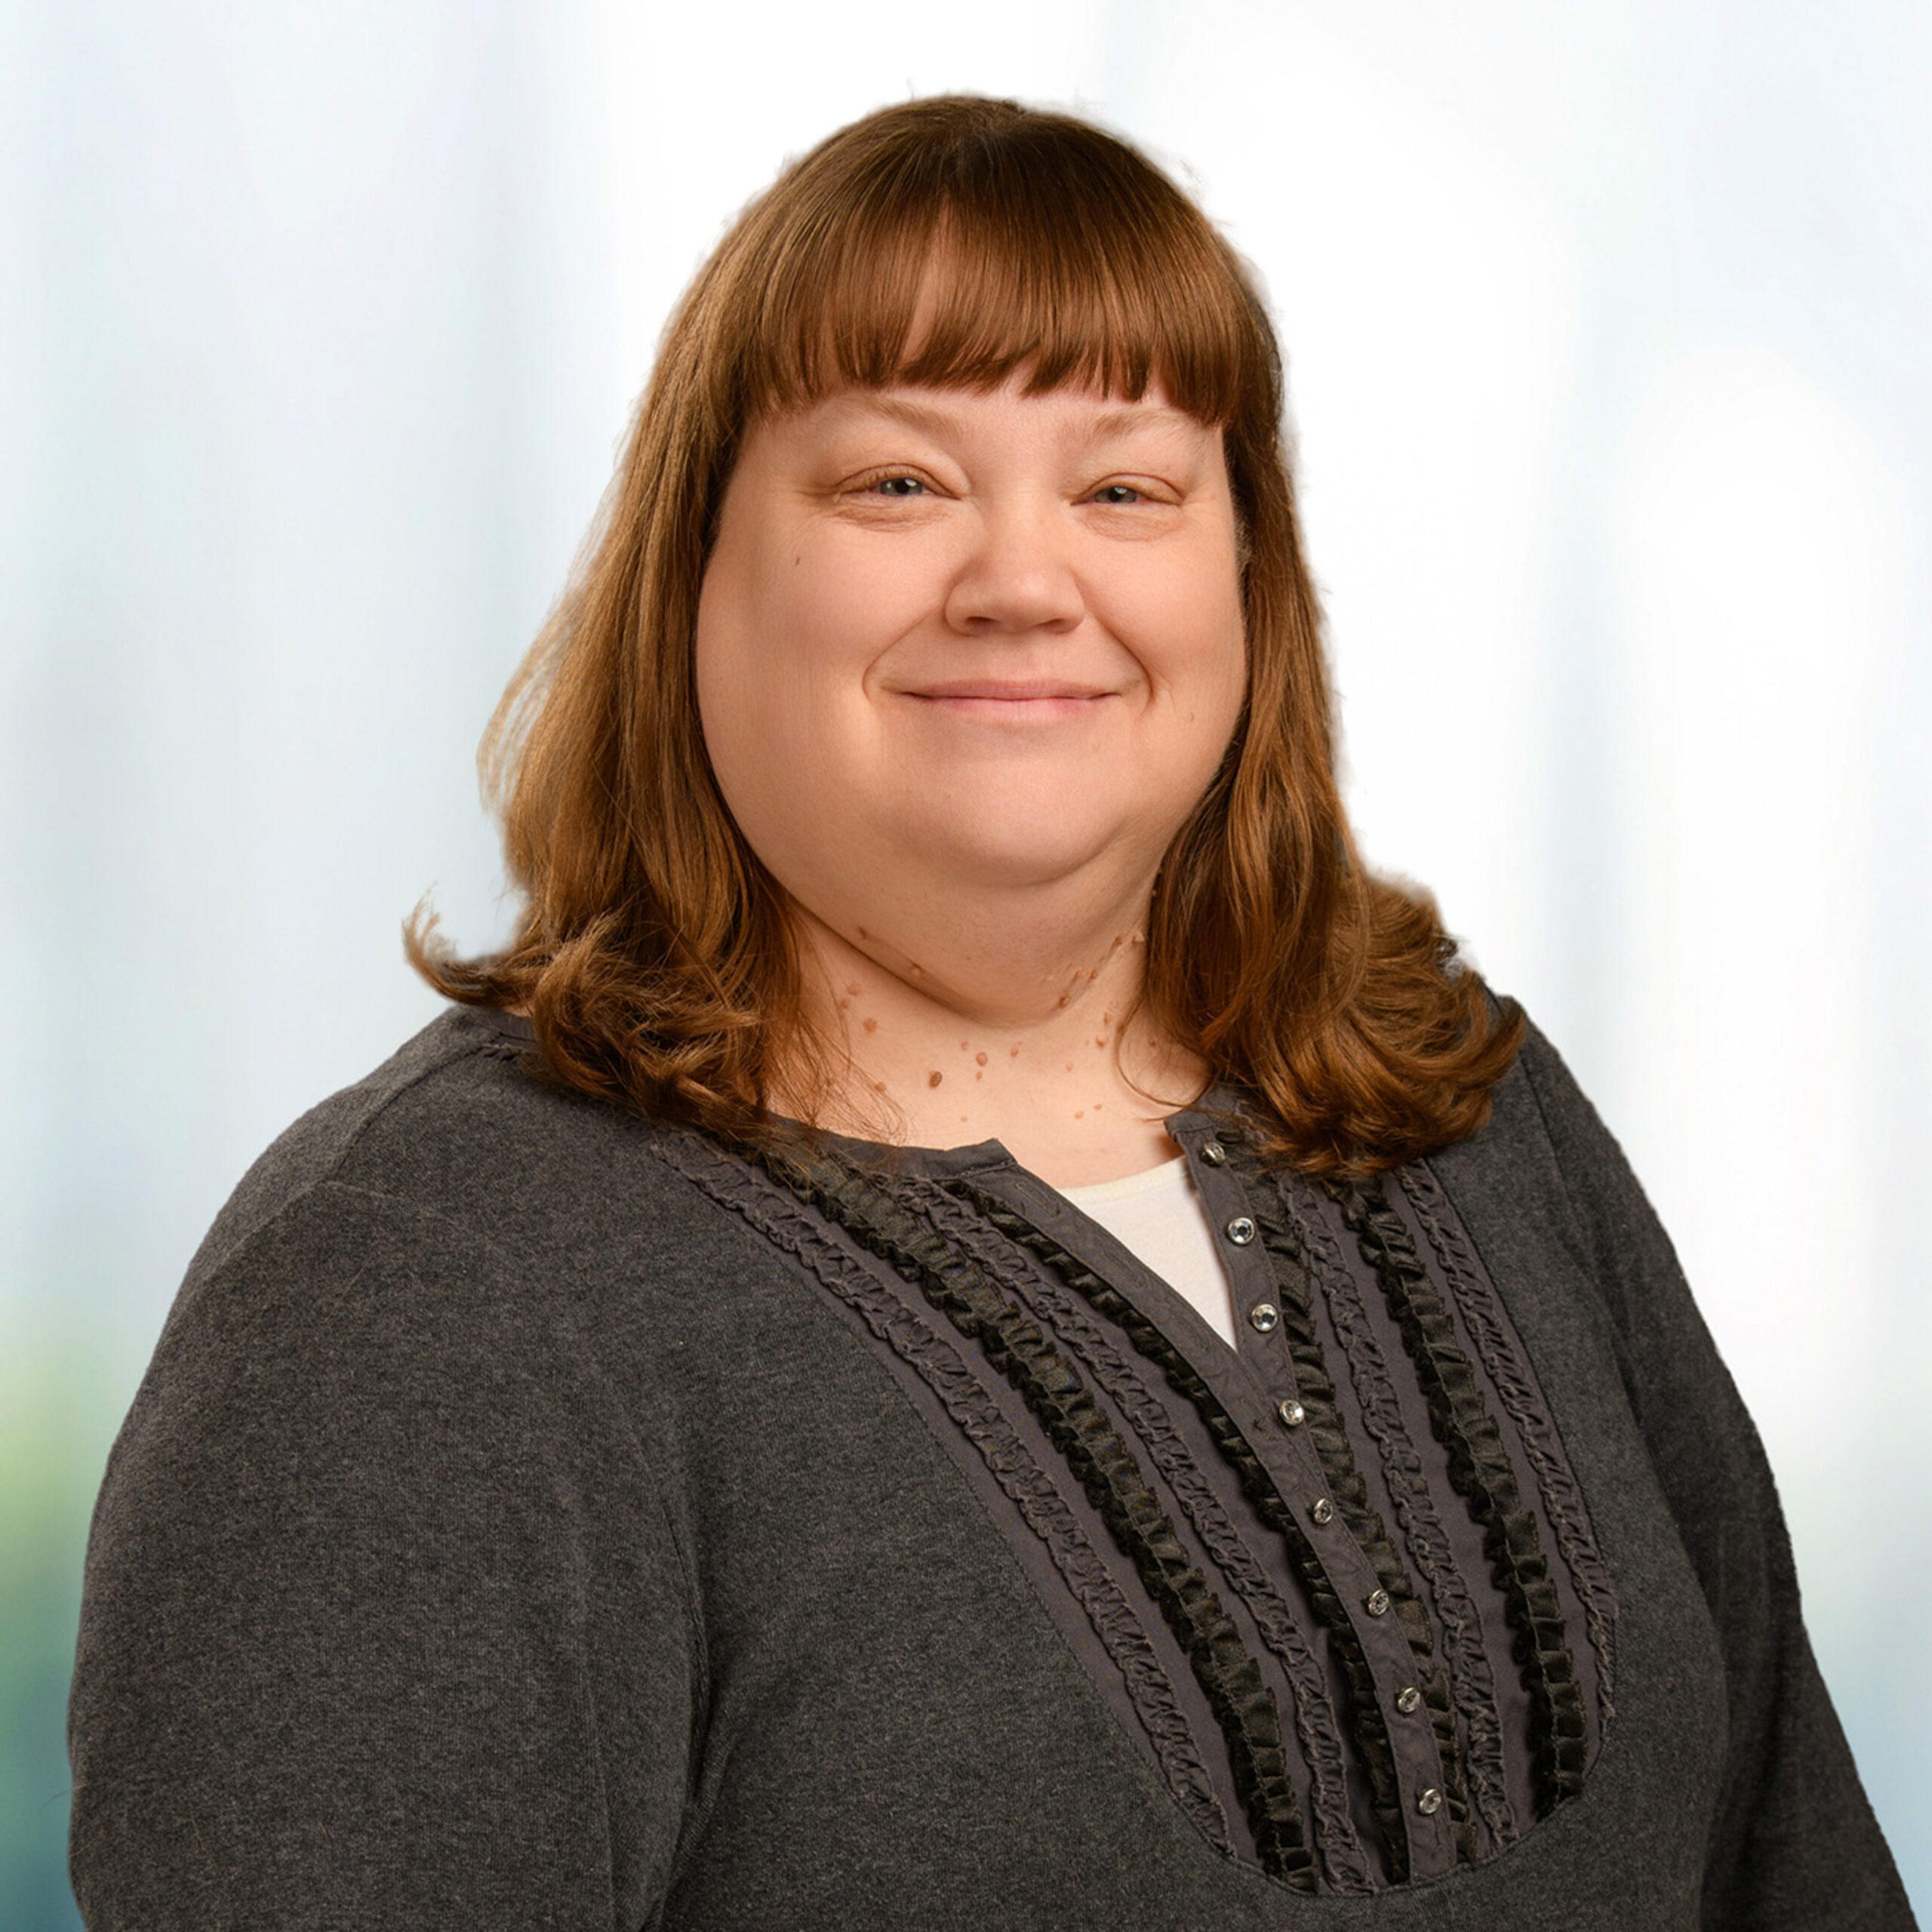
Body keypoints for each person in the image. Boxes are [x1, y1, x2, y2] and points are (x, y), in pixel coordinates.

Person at [67, 96, 1913, 1930]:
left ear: (1246, 584)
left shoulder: (1470, 1109)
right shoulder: (420, 1284)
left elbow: (1792, 1868)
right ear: (692, 581)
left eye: (1124, 489)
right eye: (897, 482)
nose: (1024, 583)